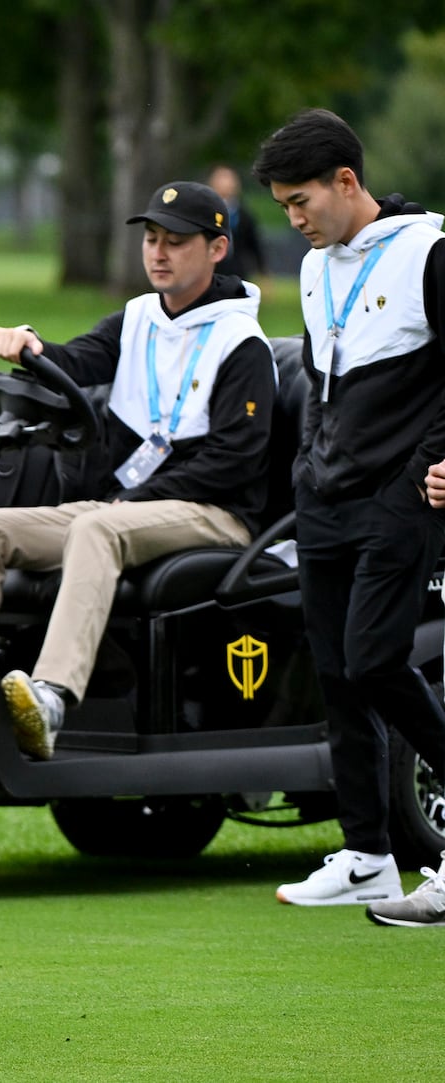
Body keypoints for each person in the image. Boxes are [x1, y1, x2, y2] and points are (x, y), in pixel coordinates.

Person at [0, 181, 276, 761]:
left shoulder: (241, 343)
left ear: (217, 249)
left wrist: (141, 495)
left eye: (176, 242)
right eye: (152, 239)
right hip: (130, 507)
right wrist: (31, 346)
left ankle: (51, 696)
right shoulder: (139, 318)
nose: (158, 253)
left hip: (217, 514)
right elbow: (75, 361)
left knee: (94, 528)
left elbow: (234, 460)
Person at [250, 107, 445, 910]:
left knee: (374, 659)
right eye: (283, 207)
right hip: (324, 494)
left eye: (302, 202)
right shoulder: (315, 262)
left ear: (347, 182)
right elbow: (325, 382)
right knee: (335, 674)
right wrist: (306, 471)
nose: (293, 221)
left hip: (403, 494)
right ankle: (367, 852)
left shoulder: (429, 252)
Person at [207, 164, 266, 282]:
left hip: (237, 271)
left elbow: (254, 244)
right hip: (211, 270)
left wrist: (262, 272)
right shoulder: (206, 211)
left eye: (229, 179)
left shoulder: (243, 214)